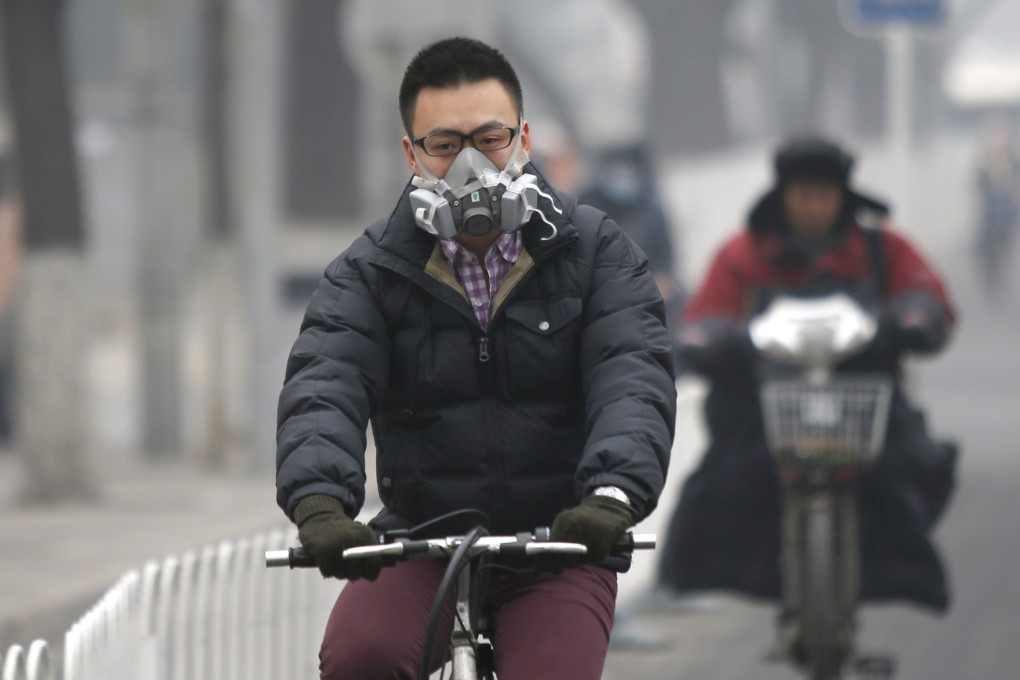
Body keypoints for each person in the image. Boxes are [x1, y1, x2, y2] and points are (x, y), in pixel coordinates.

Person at [275, 37, 676, 680]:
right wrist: (320, 502)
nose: (471, 164)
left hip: (563, 543)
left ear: (524, 139)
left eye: (490, 138)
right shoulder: (369, 270)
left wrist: (611, 495)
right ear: (412, 154)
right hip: (417, 542)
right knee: (360, 660)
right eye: (444, 145)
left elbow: (633, 377)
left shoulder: (599, 253)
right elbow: (327, 380)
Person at [656, 135, 958, 623]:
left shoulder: (883, 249)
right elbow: (706, 314)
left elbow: (928, 296)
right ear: (784, 195)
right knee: (721, 482)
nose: (813, 205)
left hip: (865, 407)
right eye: (803, 194)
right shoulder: (743, 253)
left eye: (823, 194)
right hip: (762, 408)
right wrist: (705, 340)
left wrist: (916, 318)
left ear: (842, 196)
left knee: (912, 468)